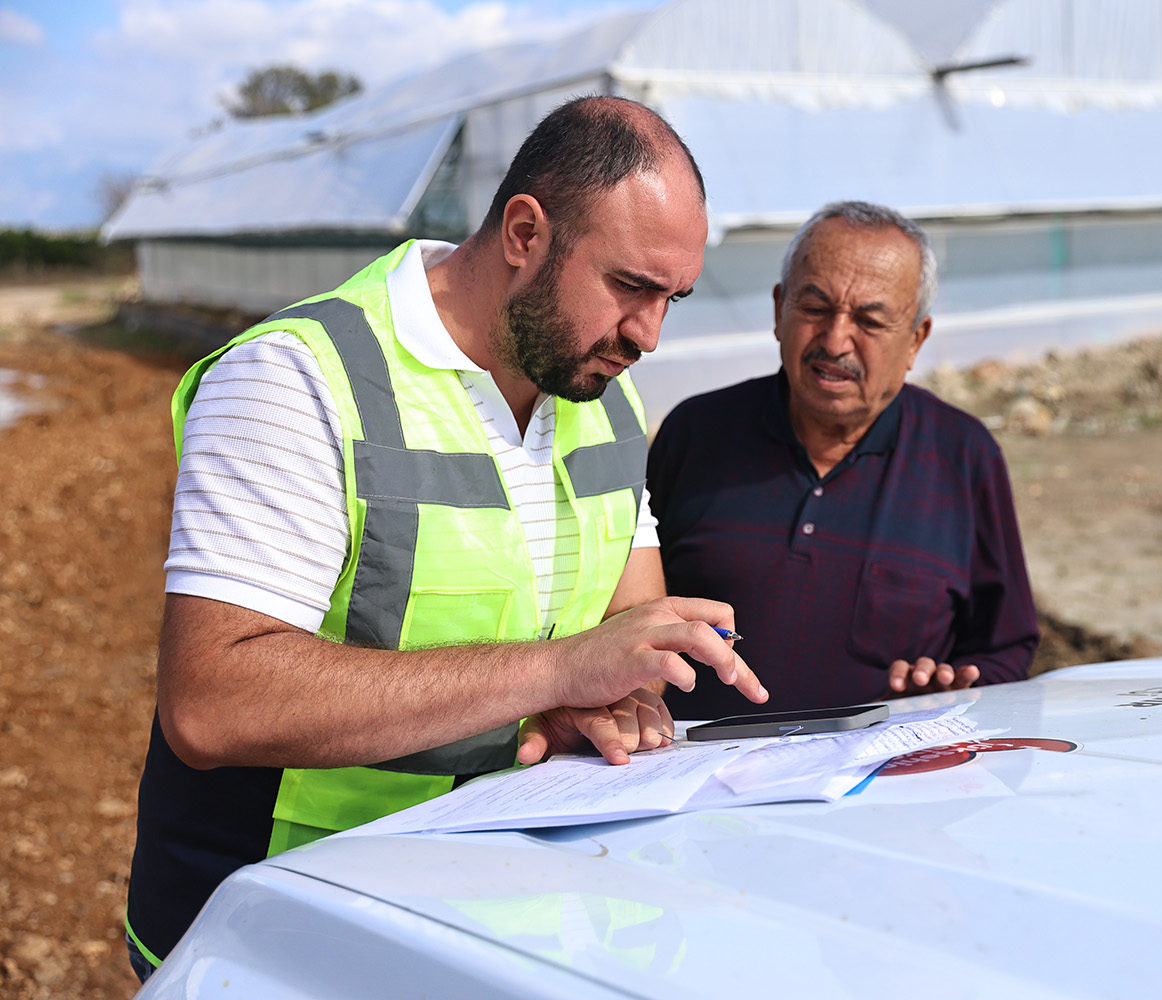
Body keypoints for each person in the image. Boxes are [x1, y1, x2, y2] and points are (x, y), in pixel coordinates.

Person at [125, 96, 767, 979]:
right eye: (630, 286)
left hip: (488, 924)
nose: (650, 335)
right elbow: (211, 701)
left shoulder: (604, 399)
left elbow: (626, 632)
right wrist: (555, 672)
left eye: (675, 298)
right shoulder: (297, 377)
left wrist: (620, 697)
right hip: (272, 934)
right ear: (524, 232)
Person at [647, 201, 1037, 720]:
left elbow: (1006, 647)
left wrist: (957, 689)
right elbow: (626, 614)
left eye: (870, 320)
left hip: (882, 784)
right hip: (694, 776)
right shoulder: (696, 435)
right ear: (779, 310)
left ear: (916, 339)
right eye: (814, 309)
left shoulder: (963, 457)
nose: (835, 341)